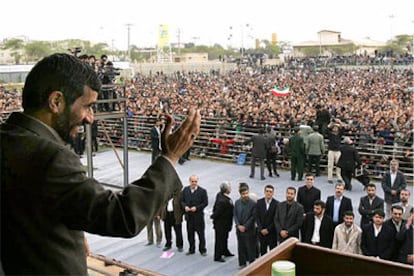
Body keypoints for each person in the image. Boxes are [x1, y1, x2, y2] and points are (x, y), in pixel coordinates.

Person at [0, 53, 201, 275]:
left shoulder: (7, 140)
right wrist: (169, 158)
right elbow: (122, 216)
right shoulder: (52, 157)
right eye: (87, 106)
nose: (90, 118)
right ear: (56, 102)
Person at [181, 175, 208, 256]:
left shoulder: (202, 191)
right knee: (190, 234)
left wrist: (196, 208)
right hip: (189, 217)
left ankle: (202, 250)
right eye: (192, 181)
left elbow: (205, 203)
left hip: (198, 217)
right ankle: (191, 249)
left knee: (201, 235)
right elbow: (182, 201)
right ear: (189, 181)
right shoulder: (185, 190)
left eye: (195, 181)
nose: (194, 183)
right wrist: (185, 206)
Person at [234, 183, 257, 269]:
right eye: (243, 194)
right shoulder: (237, 202)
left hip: (249, 230)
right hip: (239, 229)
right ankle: (242, 263)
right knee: (241, 246)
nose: (245, 195)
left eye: (246, 193)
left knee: (250, 247)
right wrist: (238, 225)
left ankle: (252, 264)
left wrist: (245, 226)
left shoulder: (253, 203)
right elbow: (235, 215)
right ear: (240, 194)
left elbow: (253, 217)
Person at [210, 181, 234, 262]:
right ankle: (218, 256)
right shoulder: (224, 201)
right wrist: (212, 216)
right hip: (221, 224)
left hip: (225, 223)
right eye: (229, 188)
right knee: (220, 240)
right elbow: (218, 212)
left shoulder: (219, 195)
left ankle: (225, 251)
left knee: (225, 238)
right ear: (226, 190)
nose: (230, 189)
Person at [255, 184, 279, 256]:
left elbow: (276, 219)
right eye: (267, 191)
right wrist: (261, 228)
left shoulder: (277, 204)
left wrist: (268, 229)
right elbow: (257, 217)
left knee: (273, 253)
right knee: (263, 252)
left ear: (273, 193)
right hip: (261, 233)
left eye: (270, 191)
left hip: (272, 233)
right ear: (264, 192)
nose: (268, 193)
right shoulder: (259, 202)